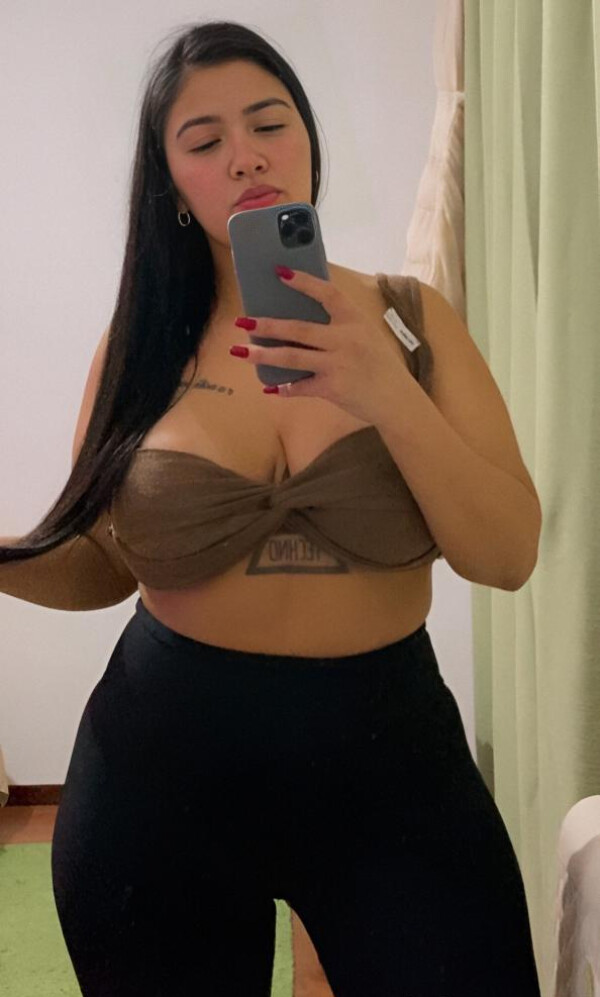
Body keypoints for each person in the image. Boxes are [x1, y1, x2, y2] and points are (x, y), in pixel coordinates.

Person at [0, 19, 543, 997]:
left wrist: (383, 388)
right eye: (203, 141)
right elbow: (102, 564)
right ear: (173, 186)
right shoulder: (138, 348)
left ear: (307, 142)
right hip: (160, 767)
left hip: (390, 759)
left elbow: (506, 553)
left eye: (269, 123)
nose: (245, 155)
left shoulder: (413, 322)